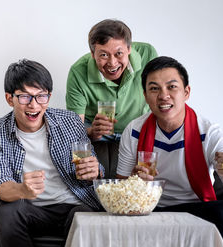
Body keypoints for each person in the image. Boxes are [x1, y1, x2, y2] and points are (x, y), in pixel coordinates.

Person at [116, 56, 223, 247]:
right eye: (154, 88)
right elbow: (121, 189)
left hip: (196, 208)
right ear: (146, 96)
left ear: (186, 92)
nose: (163, 95)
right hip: (149, 208)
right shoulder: (134, 130)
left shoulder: (209, 133)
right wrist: (135, 182)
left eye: (172, 87)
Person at [0, 59, 103, 247]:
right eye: (25, 96)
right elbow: (1, 185)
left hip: (74, 204)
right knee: (6, 211)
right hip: (30, 209)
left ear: (49, 96)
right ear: (10, 98)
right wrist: (22, 189)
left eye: (41, 96)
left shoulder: (70, 122)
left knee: (86, 217)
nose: (34, 105)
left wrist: (96, 171)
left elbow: (92, 164)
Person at [66, 18, 158, 179]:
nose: (112, 62)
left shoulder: (147, 54)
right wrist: (91, 132)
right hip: (94, 127)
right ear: (93, 54)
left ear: (129, 48)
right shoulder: (77, 71)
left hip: (136, 127)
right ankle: (82, 191)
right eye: (103, 55)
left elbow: (159, 98)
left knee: (147, 176)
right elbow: (75, 130)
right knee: (73, 150)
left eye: (119, 53)